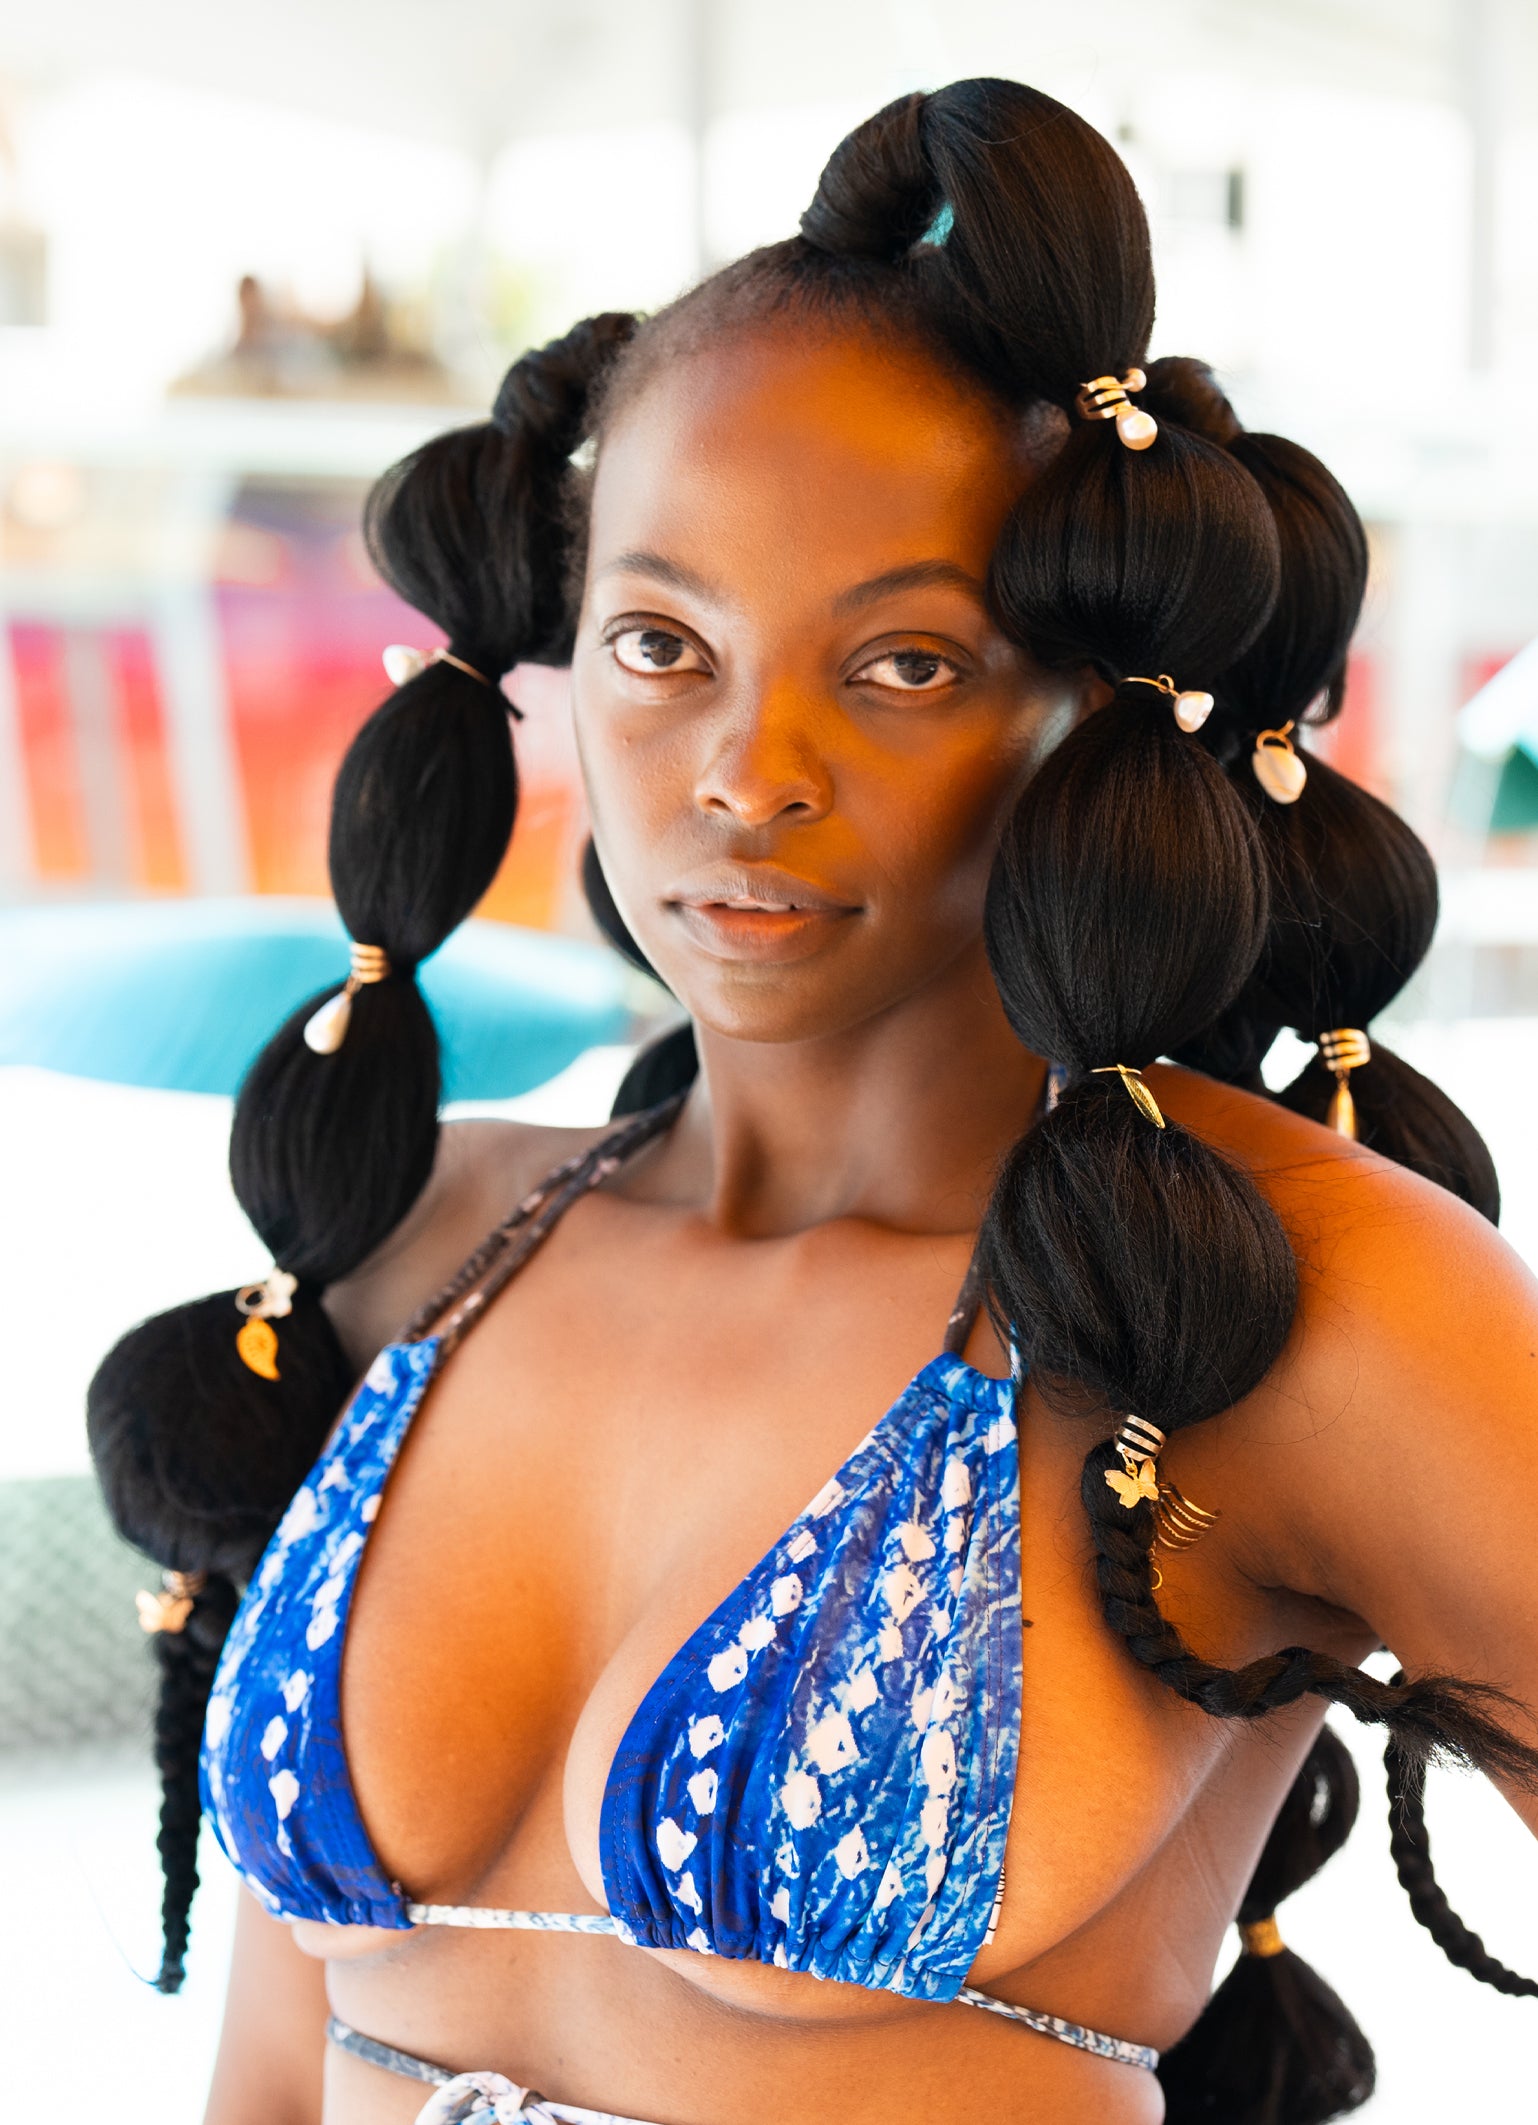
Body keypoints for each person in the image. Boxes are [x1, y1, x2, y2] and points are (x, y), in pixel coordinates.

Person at [90, 77, 1538, 2125]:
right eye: (663, 640)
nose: (743, 770)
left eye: (903, 664)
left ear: (1092, 712)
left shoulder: (1285, 1302)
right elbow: (268, 2073)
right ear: (559, 664)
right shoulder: (419, 1247)